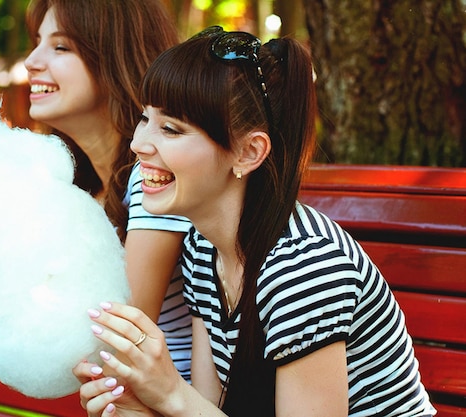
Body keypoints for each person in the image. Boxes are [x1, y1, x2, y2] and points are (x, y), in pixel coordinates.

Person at [74, 26, 437, 416]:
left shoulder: (304, 269)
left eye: (171, 129)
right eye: (146, 119)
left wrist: (170, 393)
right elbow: (210, 409)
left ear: (248, 152)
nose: (139, 143)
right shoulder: (203, 248)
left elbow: (189, 404)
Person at [23, 0, 193, 380]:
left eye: (60, 46)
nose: (31, 61)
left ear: (115, 57)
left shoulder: (153, 175)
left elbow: (113, 334)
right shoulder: (82, 188)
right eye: (37, 41)